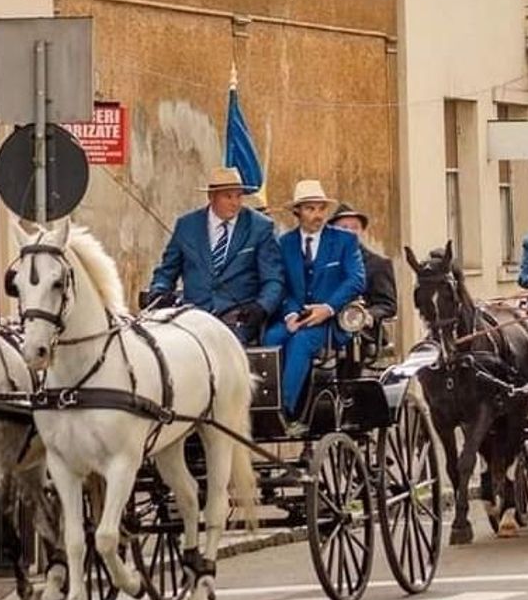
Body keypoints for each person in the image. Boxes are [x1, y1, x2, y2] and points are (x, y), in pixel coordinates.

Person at [264, 180, 366, 430]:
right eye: (310, 209)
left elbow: (356, 279)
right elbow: (281, 283)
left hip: (331, 321)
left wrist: (327, 308)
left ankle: (283, 412)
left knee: (301, 342)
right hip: (296, 314)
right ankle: (260, 407)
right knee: (269, 339)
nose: (318, 215)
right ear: (297, 211)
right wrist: (289, 313)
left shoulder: (344, 241)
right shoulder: (284, 243)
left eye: (321, 209)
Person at [148, 166, 283, 345]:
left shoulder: (260, 227)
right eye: (228, 196)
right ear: (211, 197)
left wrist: (261, 307)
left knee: (221, 350)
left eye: (239, 196)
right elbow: (167, 271)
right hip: (192, 316)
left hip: (237, 318)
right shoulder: (186, 226)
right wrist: (159, 291)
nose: (235, 203)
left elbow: (274, 279)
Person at [328, 203, 397, 324]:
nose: (350, 233)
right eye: (344, 228)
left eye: (355, 227)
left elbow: (387, 305)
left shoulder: (378, 264)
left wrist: (368, 315)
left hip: (363, 334)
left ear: (362, 232)